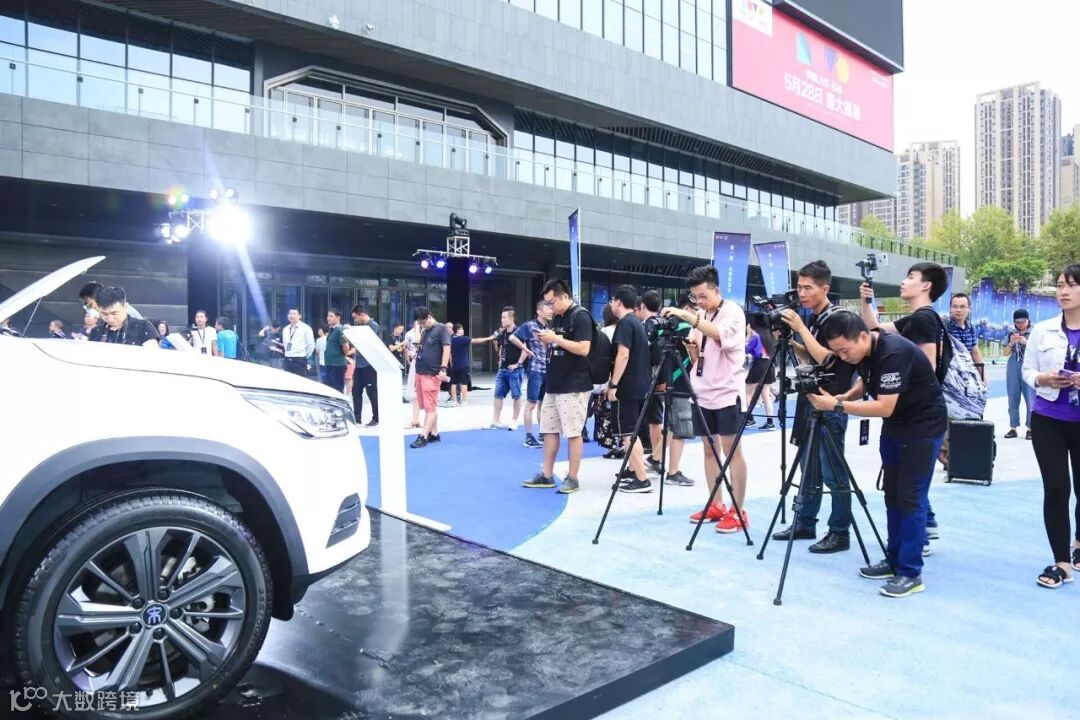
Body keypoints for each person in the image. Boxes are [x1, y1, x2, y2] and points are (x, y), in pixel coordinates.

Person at [811, 312, 947, 598]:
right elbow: (868, 379)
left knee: (910, 498)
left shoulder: (894, 352)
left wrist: (836, 406)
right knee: (892, 495)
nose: (843, 357)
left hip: (922, 428)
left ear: (863, 336)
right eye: (837, 352)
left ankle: (911, 572)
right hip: (896, 426)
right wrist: (847, 396)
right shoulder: (866, 350)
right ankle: (894, 559)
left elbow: (884, 406)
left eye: (844, 351)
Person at [773, 261, 860, 553]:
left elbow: (829, 361)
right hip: (811, 399)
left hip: (831, 402)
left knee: (833, 471)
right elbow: (811, 356)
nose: (802, 293)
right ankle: (805, 522)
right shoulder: (813, 318)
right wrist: (791, 342)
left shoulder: (838, 318)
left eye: (808, 288)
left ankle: (839, 532)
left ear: (825, 288)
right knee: (808, 467)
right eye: (799, 287)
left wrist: (800, 328)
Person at [861, 261, 948, 545]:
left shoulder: (923, 320)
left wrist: (890, 382)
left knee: (908, 492)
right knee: (907, 489)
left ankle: (915, 544)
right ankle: (920, 532)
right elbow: (873, 328)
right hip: (912, 418)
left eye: (910, 277)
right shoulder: (917, 318)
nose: (903, 281)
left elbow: (927, 365)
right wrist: (866, 301)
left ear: (926, 285)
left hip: (917, 418)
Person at [661, 266, 749, 534]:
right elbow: (699, 356)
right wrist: (692, 350)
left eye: (703, 296)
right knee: (709, 449)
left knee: (732, 451)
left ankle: (738, 510)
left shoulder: (732, 312)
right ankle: (716, 504)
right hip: (703, 392)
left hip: (727, 391)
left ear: (716, 290)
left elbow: (719, 333)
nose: (699, 301)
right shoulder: (702, 314)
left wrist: (688, 315)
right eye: (694, 297)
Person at [1023, 265, 1080, 590]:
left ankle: (1079, 543)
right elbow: (1027, 370)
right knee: (1057, 488)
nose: (1064, 291)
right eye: (1059, 285)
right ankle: (1061, 562)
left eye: (1071, 285)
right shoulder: (1043, 330)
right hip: (1047, 419)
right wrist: (1043, 379)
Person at [523, 279, 593, 494]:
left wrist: (555, 338)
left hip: (574, 384)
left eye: (552, 302)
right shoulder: (559, 317)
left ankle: (573, 477)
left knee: (573, 432)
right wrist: (549, 340)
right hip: (554, 382)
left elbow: (584, 349)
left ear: (565, 296)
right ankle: (546, 475)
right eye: (547, 304)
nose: (550, 307)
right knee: (549, 429)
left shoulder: (580, 316)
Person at [605, 286, 654, 493]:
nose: (611, 304)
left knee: (628, 434)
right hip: (641, 384)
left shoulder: (625, 323)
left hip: (628, 386)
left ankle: (642, 479)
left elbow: (623, 355)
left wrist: (613, 384)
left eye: (612, 300)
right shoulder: (637, 323)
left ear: (618, 302)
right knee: (632, 432)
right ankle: (635, 470)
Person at [514, 300, 554, 449]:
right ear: (539, 311)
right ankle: (528, 436)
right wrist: (527, 350)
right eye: (547, 308)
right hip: (536, 369)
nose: (551, 311)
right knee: (531, 403)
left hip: (547, 369)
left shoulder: (548, 328)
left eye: (551, 308)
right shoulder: (530, 325)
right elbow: (513, 337)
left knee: (543, 404)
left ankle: (542, 433)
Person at [410, 307, 451, 449]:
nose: (421, 325)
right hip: (421, 371)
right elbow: (422, 348)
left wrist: (443, 368)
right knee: (427, 406)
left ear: (428, 317)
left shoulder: (442, 328)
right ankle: (434, 433)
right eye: (419, 323)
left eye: (422, 322)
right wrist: (415, 354)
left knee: (430, 407)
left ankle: (423, 436)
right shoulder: (425, 331)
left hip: (432, 374)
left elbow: (446, 348)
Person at [486, 307, 528, 430]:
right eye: (501, 317)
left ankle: (514, 421)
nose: (502, 320)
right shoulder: (502, 333)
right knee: (498, 394)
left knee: (516, 395)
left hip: (515, 369)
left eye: (504, 317)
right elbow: (499, 349)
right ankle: (496, 420)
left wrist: (518, 364)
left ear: (511, 318)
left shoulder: (519, 332)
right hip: (503, 368)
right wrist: (496, 343)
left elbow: (525, 350)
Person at [88, 287, 159, 347]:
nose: (110, 319)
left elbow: (151, 355)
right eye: (104, 314)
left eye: (114, 313)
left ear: (125, 307)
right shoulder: (96, 332)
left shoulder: (143, 327)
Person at [348, 305, 381, 427]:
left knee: (372, 392)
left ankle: (376, 417)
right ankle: (357, 418)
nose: (355, 320)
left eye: (356, 318)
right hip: (359, 364)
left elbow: (367, 341)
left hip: (369, 365)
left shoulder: (373, 326)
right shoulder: (360, 327)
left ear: (362, 315)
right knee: (356, 391)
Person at [1005, 309, 1035, 440]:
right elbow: (1005, 353)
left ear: (1028, 320)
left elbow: (1039, 351)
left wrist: (1026, 343)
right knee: (1013, 397)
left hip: (1029, 365)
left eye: (1022, 322)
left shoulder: (1035, 332)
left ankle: (1030, 428)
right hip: (1013, 364)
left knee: (1030, 397)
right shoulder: (1011, 332)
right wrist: (1011, 343)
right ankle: (1013, 427)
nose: (1020, 324)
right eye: (1017, 322)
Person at [744, 324, 776, 430]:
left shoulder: (755, 336)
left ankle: (750, 419)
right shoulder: (768, 335)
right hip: (769, 364)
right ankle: (770, 422)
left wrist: (748, 335)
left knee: (747, 392)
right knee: (766, 395)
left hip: (758, 364)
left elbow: (746, 349)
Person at [947, 293, 984, 380]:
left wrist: (983, 377)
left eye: (962, 307)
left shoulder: (971, 328)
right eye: (955, 306)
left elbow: (975, 353)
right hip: (950, 375)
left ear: (969, 309)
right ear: (950, 309)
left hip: (967, 374)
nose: (958, 310)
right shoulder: (944, 328)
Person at [322, 309, 348, 393]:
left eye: (331, 316)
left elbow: (346, 347)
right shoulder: (331, 329)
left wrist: (342, 355)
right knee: (330, 389)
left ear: (338, 317)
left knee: (337, 389)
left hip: (337, 364)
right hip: (329, 363)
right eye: (328, 316)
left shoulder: (340, 330)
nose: (328, 318)